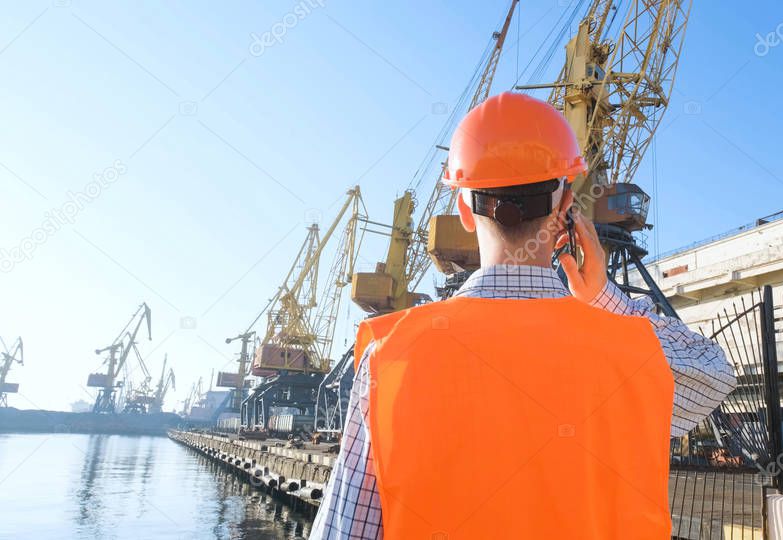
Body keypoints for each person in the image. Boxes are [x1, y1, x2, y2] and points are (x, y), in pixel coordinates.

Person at [310, 92, 735, 539]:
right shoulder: (632, 352)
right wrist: (604, 297)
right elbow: (717, 372)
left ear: (465, 213)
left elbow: (346, 530)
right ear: (566, 205)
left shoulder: (388, 358)